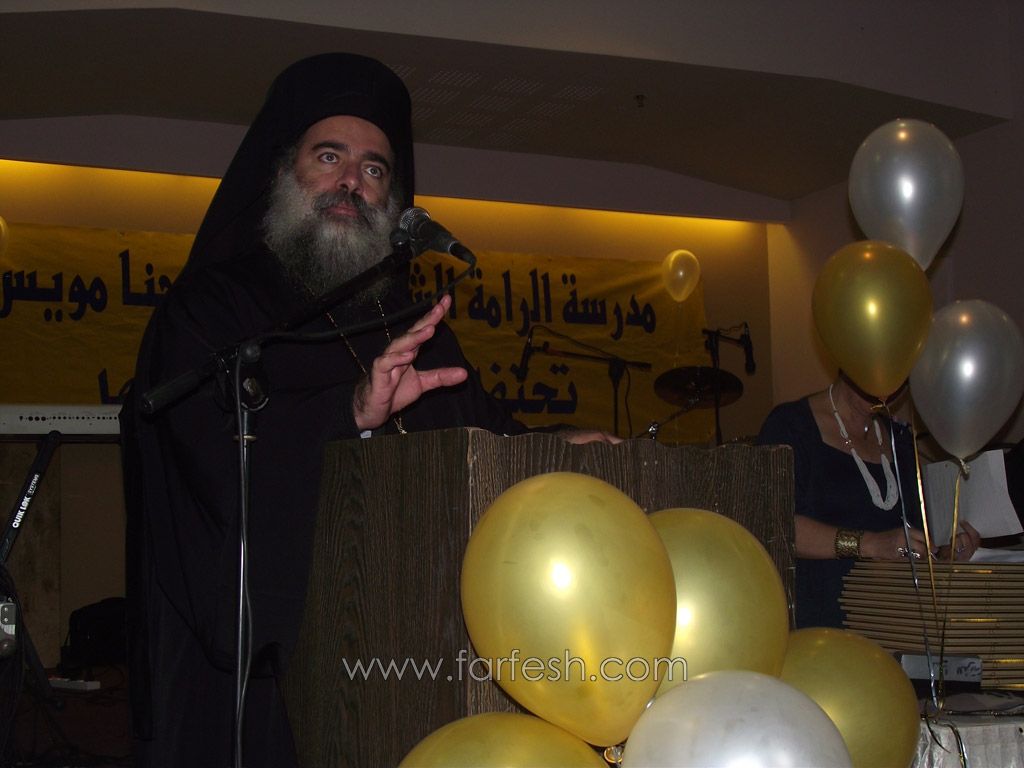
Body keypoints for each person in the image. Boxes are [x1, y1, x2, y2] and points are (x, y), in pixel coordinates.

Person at [120, 53, 615, 768]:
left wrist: (561, 445)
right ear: (283, 172)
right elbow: (200, 467)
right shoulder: (212, 311)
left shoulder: (414, 323)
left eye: (374, 168)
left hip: (411, 660)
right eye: (330, 157)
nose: (352, 181)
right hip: (267, 683)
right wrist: (349, 410)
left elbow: (486, 439)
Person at [756, 372, 980, 629]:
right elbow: (775, 525)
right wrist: (871, 544)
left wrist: (945, 556)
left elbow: (913, 539)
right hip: (819, 626)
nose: (884, 392)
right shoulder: (791, 426)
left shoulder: (900, 440)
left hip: (894, 624)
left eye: (897, 381)